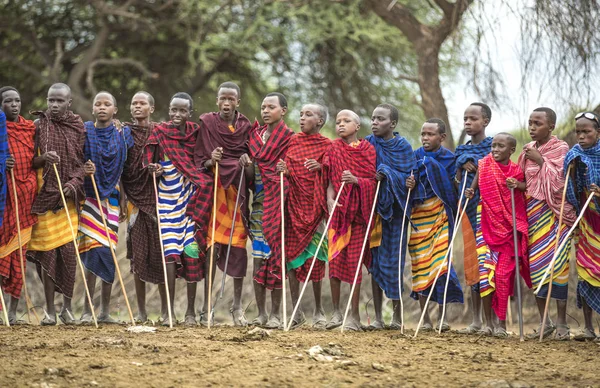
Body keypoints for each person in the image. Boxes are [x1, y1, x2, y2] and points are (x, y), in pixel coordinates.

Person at [146, 92, 207, 326]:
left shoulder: (196, 134)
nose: (177, 115)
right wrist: (154, 169)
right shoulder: (160, 133)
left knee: (191, 253)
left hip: (191, 202)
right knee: (170, 254)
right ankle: (169, 311)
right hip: (167, 201)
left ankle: (190, 313)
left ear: (189, 112)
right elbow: (150, 161)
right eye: (173, 110)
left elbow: (201, 163)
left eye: (182, 111)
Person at [194, 82, 253, 326]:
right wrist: (211, 160)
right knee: (212, 248)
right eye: (222, 99)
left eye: (231, 99)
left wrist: (245, 161)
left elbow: (252, 165)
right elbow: (199, 159)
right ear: (217, 101)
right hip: (216, 194)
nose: (226, 103)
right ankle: (206, 306)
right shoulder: (207, 123)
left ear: (237, 102)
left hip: (236, 196)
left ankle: (237, 307)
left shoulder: (246, 127)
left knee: (238, 248)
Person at [27, 83, 85, 326]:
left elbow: (83, 163)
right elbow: (29, 161)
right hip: (45, 197)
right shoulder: (39, 126)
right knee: (47, 253)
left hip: (68, 199)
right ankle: (50, 311)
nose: (54, 105)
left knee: (69, 254)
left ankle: (67, 309)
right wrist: (43, 158)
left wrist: (73, 184)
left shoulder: (78, 127)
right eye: (51, 100)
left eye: (60, 101)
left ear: (69, 103)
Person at [516, 107, 575, 341]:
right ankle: (544, 322)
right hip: (532, 217)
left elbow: (562, 182)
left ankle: (562, 323)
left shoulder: (560, 149)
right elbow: (526, 184)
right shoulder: (526, 151)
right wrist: (515, 184)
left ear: (551, 127)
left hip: (555, 217)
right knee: (536, 268)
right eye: (530, 122)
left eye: (537, 123)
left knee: (558, 268)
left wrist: (541, 161)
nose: (532, 127)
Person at [466, 132, 531, 337]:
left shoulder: (516, 170)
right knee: (485, 276)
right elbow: (475, 185)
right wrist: (470, 191)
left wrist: (517, 185)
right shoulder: (484, 164)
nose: (495, 149)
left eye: (500, 146)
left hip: (508, 230)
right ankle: (488, 324)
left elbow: (525, 188)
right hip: (485, 224)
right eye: (493, 145)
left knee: (503, 276)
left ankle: (501, 324)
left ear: (511, 150)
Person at [79, 91, 133, 324]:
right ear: (92, 109)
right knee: (92, 251)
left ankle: (105, 312)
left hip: (111, 200)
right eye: (97, 104)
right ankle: (85, 310)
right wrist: (84, 169)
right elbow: (75, 160)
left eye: (107, 104)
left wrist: (123, 201)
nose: (102, 107)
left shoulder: (123, 134)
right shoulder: (84, 131)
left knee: (108, 251)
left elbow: (122, 170)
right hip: (89, 199)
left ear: (115, 110)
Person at [276, 103, 331, 329]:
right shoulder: (293, 142)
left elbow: (332, 171)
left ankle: (318, 310)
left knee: (317, 258)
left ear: (319, 121)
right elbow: (289, 170)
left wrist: (321, 167)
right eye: (300, 114)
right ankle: (295, 310)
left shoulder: (328, 145)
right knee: (291, 258)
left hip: (316, 210)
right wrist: (285, 170)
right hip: (293, 208)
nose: (302, 118)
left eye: (308, 115)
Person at [406, 118, 463, 332]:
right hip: (419, 218)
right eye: (423, 134)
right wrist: (408, 183)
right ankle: (425, 319)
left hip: (440, 216)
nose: (425, 138)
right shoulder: (414, 157)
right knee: (420, 265)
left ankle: (442, 317)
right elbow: (407, 182)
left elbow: (452, 188)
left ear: (442, 137)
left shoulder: (451, 159)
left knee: (441, 265)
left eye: (430, 134)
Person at [324, 109, 377, 332]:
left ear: (357, 127)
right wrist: (328, 198)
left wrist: (356, 180)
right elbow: (327, 179)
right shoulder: (333, 148)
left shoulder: (367, 150)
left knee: (355, 265)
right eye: (338, 122)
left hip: (358, 218)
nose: (341, 125)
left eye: (346, 121)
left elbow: (373, 181)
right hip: (338, 215)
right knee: (335, 263)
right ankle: (336, 312)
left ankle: (353, 315)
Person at [244, 92, 293, 329]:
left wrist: (288, 169)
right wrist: (246, 165)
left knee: (276, 259)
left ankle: (276, 314)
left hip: (280, 205)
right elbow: (253, 176)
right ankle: (261, 313)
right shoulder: (255, 138)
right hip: (259, 207)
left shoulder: (290, 138)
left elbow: (296, 173)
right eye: (263, 107)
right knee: (258, 259)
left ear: (283, 111)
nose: (265, 111)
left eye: (271, 107)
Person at [365, 104, 415, 330]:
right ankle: (377, 317)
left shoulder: (403, 147)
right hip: (375, 211)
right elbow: (362, 171)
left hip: (396, 214)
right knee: (375, 262)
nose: (374, 122)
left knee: (395, 262)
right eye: (373, 118)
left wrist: (387, 173)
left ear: (392, 124)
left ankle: (397, 316)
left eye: (380, 119)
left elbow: (409, 177)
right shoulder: (367, 143)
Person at [122, 91, 168, 324]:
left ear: (151, 108)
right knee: (137, 258)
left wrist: (159, 169)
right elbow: (121, 165)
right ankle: (141, 312)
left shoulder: (160, 132)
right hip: (134, 201)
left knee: (161, 255)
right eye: (134, 103)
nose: (137, 107)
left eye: (142, 103)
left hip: (158, 200)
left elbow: (169, 161)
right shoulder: (124, 133)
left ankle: (166, 311)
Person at [455, 102, 493, 335]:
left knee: (489, 263)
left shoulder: (494, 147)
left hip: (489, 213)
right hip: (468, 212)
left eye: (473, 119)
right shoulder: (460, 151)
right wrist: (460, 165)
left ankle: (494, 321)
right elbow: (455, 179)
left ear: (485, 121)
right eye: (465, 119)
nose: (468, 123)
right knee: (472, 263)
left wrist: (480, 166)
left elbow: (499, 169)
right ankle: (476, 320)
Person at [0, 87, 37, 324]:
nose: (14, 105)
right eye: (8, 101)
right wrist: (3, 163)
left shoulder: (29, 128)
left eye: (17, 100)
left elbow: (35, 159)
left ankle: (12, 312)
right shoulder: (0, 130)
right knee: (3, 253)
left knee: (20, 257)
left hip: (25, 197)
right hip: (5, 201)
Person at [563, 111, 600, 342]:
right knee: (586, 273)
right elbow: (569, 189)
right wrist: (573, 173)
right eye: (578, 132)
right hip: (585, 224)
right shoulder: (573, 156)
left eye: (587, 131)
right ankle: (588, 328)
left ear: (598, 132)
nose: (581, 136)